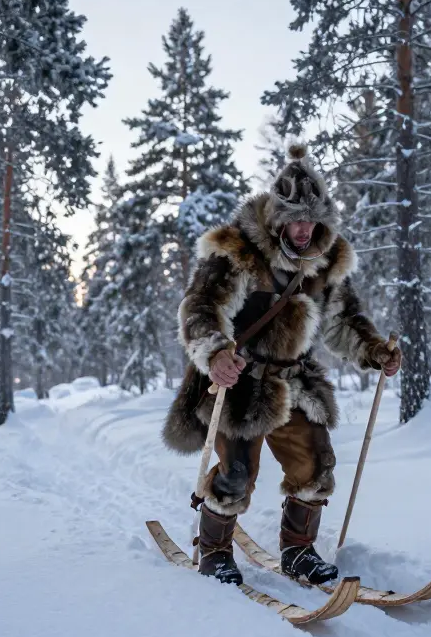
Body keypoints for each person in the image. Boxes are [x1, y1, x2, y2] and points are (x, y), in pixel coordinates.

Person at [161, 144, 401, 586]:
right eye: (296, 218)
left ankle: (299, 551)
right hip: (239, 382)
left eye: (312, 219)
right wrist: (215, 353)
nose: (304, 228)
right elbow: (200, 308)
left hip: (295, 381)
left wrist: (373, 351)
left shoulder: (325, 262)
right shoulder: (239, 252)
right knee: (235, 477)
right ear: (277, 219)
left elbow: (342, 320)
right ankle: (213, 552)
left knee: (316, 467)